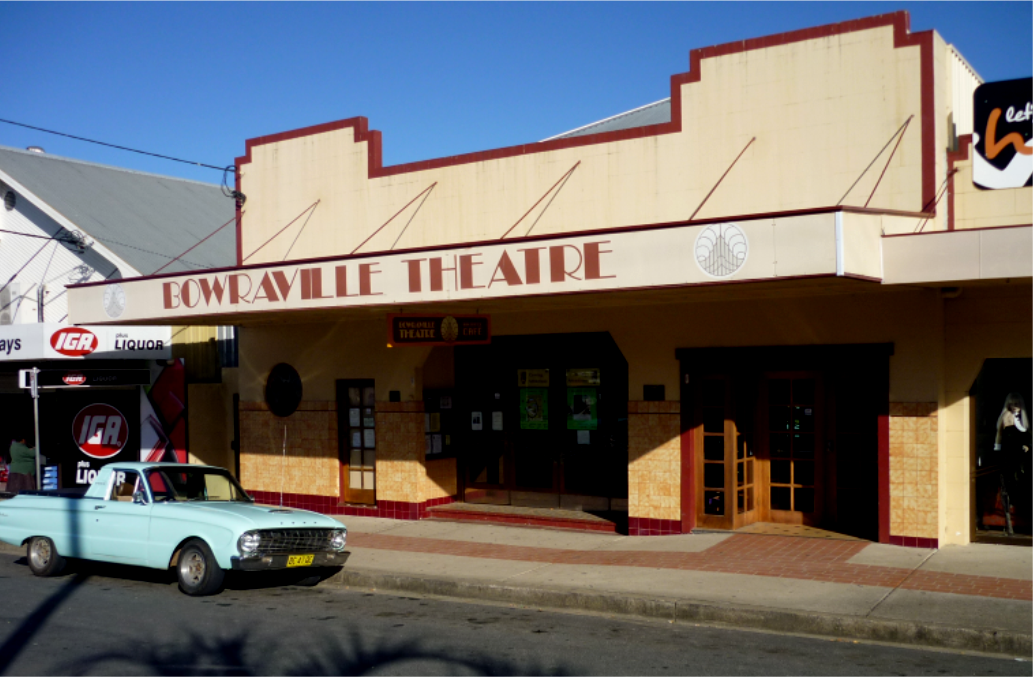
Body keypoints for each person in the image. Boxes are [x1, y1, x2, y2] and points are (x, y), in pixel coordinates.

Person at [994, 393, 1031, 534]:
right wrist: (996, 450)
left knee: (1021, 480)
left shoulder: (1023, 419)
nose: (1016, 407)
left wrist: (1028, 445)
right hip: (1008, 455)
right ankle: (1008, 516)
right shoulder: (1006, 417)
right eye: (1013, 404)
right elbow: (999, 434)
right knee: (1008, 482)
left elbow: (1027, 434)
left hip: (1021, 456)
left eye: (1018, 404)